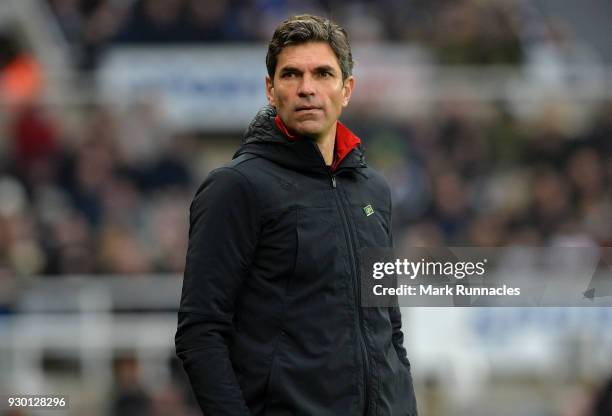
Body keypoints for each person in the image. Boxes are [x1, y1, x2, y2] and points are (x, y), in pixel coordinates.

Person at [175, 14, 418, 416]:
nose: (307, 88)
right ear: (271, 90)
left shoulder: (373, 189)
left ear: (347, 90)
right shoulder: (235, 188)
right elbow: (200, 334)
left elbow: (388, 326)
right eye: (291, 75)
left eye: (323, 73)